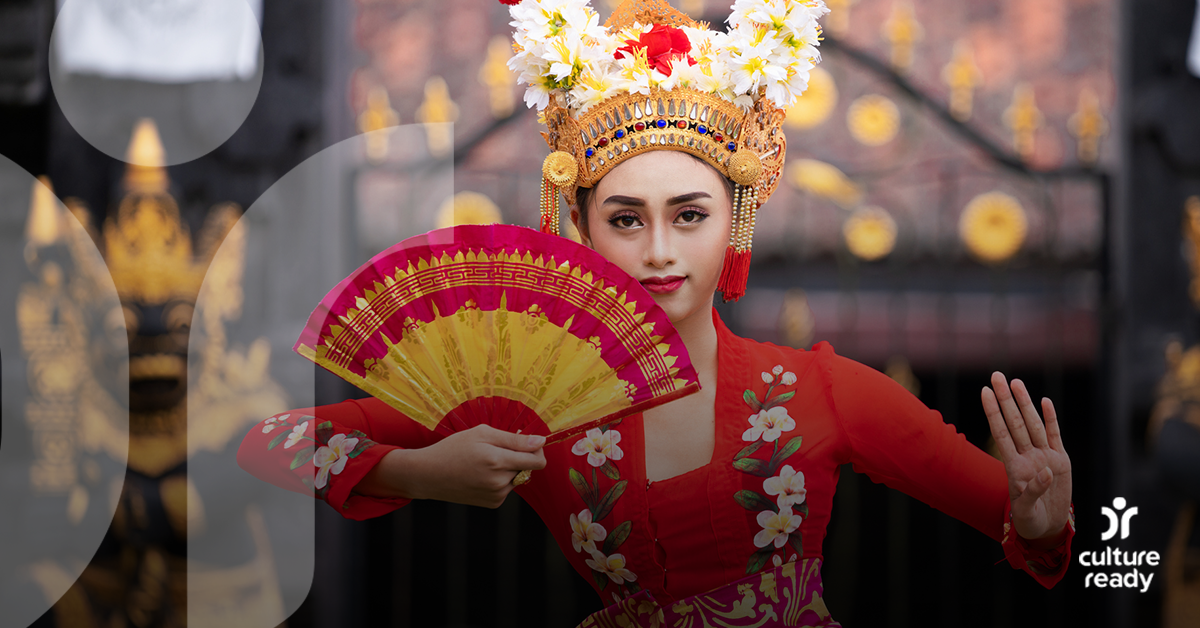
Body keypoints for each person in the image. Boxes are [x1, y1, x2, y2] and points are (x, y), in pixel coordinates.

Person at [238, 1, 1075, 625]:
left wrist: (1040, 523)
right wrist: (420, 472)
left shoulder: (823, 393)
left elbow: (1065, 545)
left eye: (690, 215)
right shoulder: (530, 402)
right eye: (627, 220)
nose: (661, 252)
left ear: (736, 221)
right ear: (584, 230)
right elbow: (264, 444)